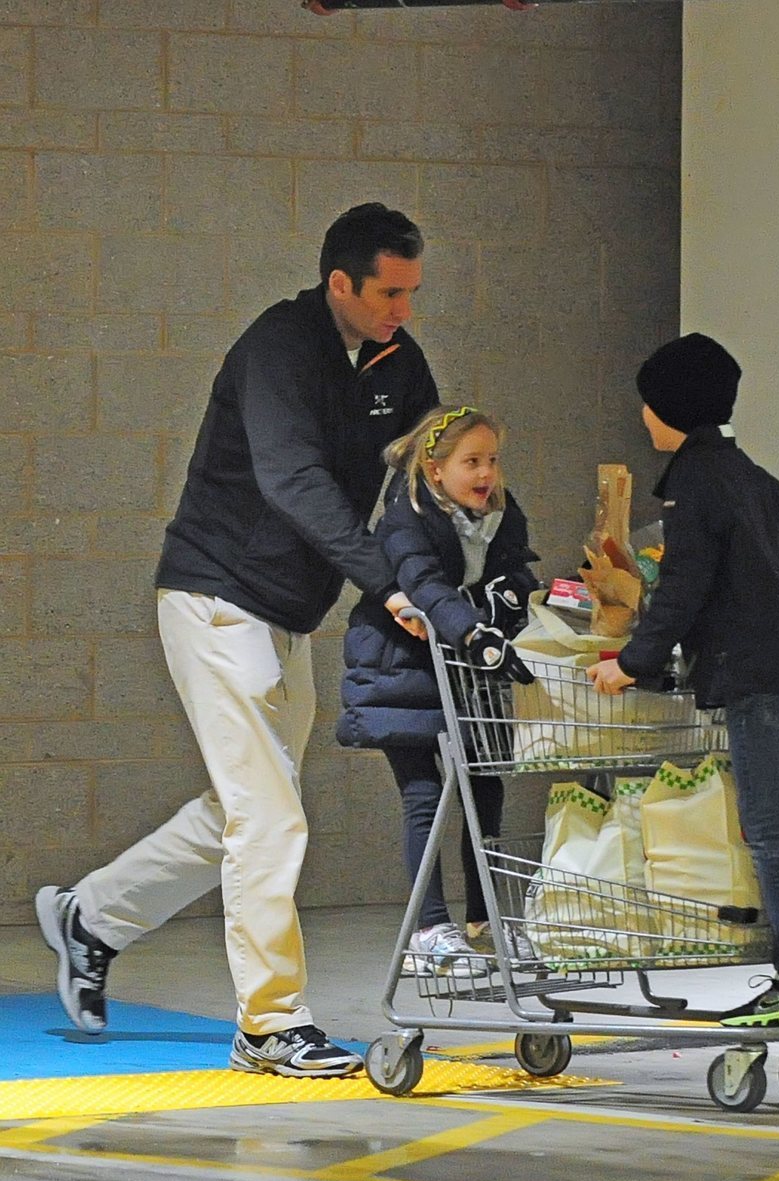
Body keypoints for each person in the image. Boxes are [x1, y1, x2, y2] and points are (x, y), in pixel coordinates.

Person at [35, 202, 440, 1078]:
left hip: (290, 611)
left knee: (243, 808)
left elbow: (426, 470)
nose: (403, 309)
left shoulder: (398, 361)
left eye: (411, 292)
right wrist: (387, 582)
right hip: (217, 597)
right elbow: (293, 480)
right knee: (270, 813)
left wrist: (461, 557)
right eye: (389, 293)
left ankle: (92, 916)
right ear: (341, 283)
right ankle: (269, 1026)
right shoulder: (279, 349)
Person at [587, 333, 779, 1029]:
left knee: (770, 829)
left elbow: (686, 589)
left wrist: (631, 663)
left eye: (647, 405)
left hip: (761, 676)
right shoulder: (759, 480)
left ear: (671, 410)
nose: (642, 417)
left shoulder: (695, 485)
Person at [337, 405, 538, 976]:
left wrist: (513, 599)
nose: (486, 474)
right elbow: (423, 584)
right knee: (425, 794)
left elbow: (518, 567)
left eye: (492, 461)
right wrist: (472, 630)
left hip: (463, 670)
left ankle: (487, 919)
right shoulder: (408, 517)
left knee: (485, 789)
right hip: (400, 669)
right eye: (471, 461)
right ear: (434, 469)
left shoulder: (500, 511)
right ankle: (430, 930)